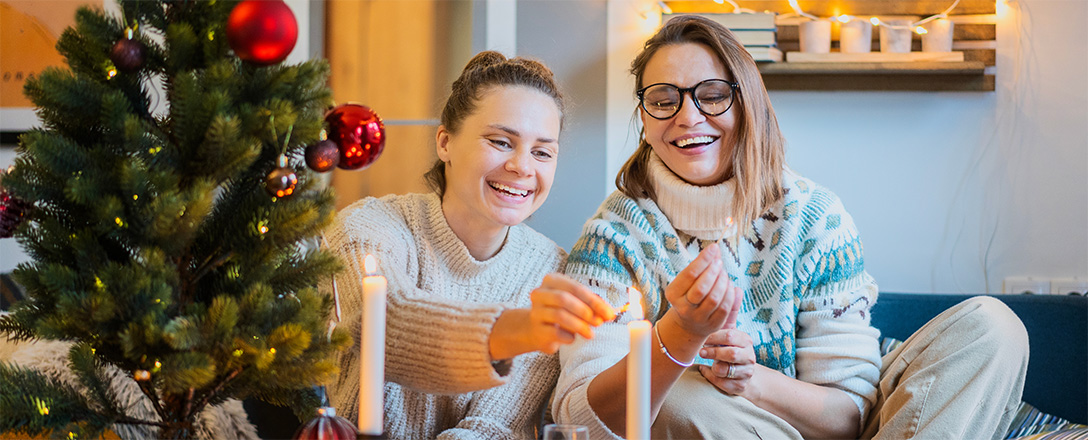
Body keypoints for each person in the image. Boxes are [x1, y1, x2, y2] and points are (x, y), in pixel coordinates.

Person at [551, 15, 1029, 440]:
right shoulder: (613, 239)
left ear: (748, 104)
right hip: (724, 427)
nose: (687, 116)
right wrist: (678, 338)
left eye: (713, 95)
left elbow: (848, 419)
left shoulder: (815, 217)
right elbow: (582, 419)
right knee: (676, 397)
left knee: (992, 328)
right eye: (662, 99)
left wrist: (752, 380)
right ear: (644, 116)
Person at [325, 51, 615, 439]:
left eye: (542, 152)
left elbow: (491, 429)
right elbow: (384, 323)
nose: (523, 167)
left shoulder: (550, 271)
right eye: (500, 141)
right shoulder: (367, 229)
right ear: (445, 142)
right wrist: (520, 328)